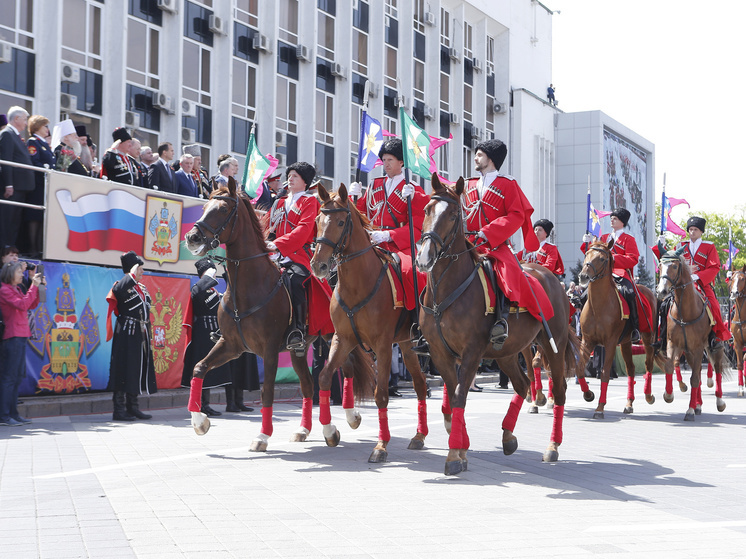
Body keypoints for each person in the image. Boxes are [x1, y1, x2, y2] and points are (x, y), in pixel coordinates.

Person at [461, 138, 552, 351]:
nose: (475, 157)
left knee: (506, 275)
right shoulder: (468, 184)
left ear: (491, 159)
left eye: (480, 154)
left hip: (495, 246)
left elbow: (516, 215)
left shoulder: (507, 184)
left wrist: (489, 232)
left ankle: (501, 321)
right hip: (469, 243)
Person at [348, 138, 429, 330]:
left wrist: (389, 235)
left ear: (401, 162)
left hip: (399, 244)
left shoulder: (413, 189)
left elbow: (418, 228)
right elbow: (363, 215)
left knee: (412, 272)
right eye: (384, 159)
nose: (385, 164)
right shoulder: (375, 184)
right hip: (371, 242)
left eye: (390, 159)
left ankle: (418, 323)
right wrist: (355, 198)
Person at [266, 162, 333, 351]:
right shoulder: (278, 202)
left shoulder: (309, 201)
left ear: (305, 182)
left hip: (299, 255)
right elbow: (268, 227)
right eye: (290, 175)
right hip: (275, 253)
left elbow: (304, 230)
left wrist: (278, 244)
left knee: (295, 280)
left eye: (295, 176)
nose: (290, 178)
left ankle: (297, 329)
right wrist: (265, 243)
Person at [654, 216, 730, 350]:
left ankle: (715, 336)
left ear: (701, 232)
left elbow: (714, 267)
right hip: (679, 284)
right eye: (690, 229)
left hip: (702, 283)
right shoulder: (681, 245)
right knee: (664, 305)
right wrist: (660, 245)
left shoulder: (709, 246)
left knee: (714, 305)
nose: (692, 232)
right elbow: (667, 260)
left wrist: (697, 276)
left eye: (695, 229)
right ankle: (662, 336)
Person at [181, 257, 238, 417]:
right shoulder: (198, 287)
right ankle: (202, 404)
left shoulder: (213, 290)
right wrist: (207, 275)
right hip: (202, 333)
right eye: (211, 272)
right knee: (203, 366)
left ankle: (214, 403)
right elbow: (198, 291)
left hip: (215, 331)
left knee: (215, 369)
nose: (214, 276)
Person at [105, 251, 157, 421]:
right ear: (132, 270)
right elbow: (118, 291)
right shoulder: (121, 284)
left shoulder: (140, 288)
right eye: (139, 268)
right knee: (123, 368)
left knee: (135, 369)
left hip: (139, 332)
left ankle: (132, 407)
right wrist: (132, 273)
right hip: (126, 332)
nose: (142, 272)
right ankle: (119, 410)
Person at [580, 207, 641, 342]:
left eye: (615, 219)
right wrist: (587, 242)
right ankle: (585, 325)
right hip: (601, 273)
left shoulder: (628, 239)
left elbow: (633, 258)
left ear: (622, 222)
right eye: (611, 218)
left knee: (629, 292)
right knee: (584, 296)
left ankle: (634, 328)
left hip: (620, 272)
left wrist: (612, 259)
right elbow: (591, 253)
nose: (612, 221)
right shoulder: (603, 237)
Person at [0, 261, 43, 426]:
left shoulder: (15, 289)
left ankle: (13, 414)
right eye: (19, 272)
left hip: (21, 335)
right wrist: (33, 286)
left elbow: (31, 303)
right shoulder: (4, 290)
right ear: (10, 273)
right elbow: (23, 304)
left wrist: (37, 287)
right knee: (9, 378)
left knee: (16, 378)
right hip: (13, 336)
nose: (21, 274)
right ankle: (4, 416)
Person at [0, 106, 34, 250]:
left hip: (21, 186)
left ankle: (11, 249)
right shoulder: (7, 134)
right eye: (25, 119)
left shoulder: (16, 136)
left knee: (15, 221)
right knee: (8, 219)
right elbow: (6, 160)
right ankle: (5, 249)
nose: (26, 123)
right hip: (13, 186)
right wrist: (8, 184)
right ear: (16, 119)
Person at [26, 115, 54, 257]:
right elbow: (34, 160)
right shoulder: (33, 142)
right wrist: (46, 169)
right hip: (38, 184)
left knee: (42, 217)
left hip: (46, 185)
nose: (47, 129)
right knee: (35, 217)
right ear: (37, 127)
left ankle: (40, 248)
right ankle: (33, 249)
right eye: (45, 126)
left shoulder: (43, 143)